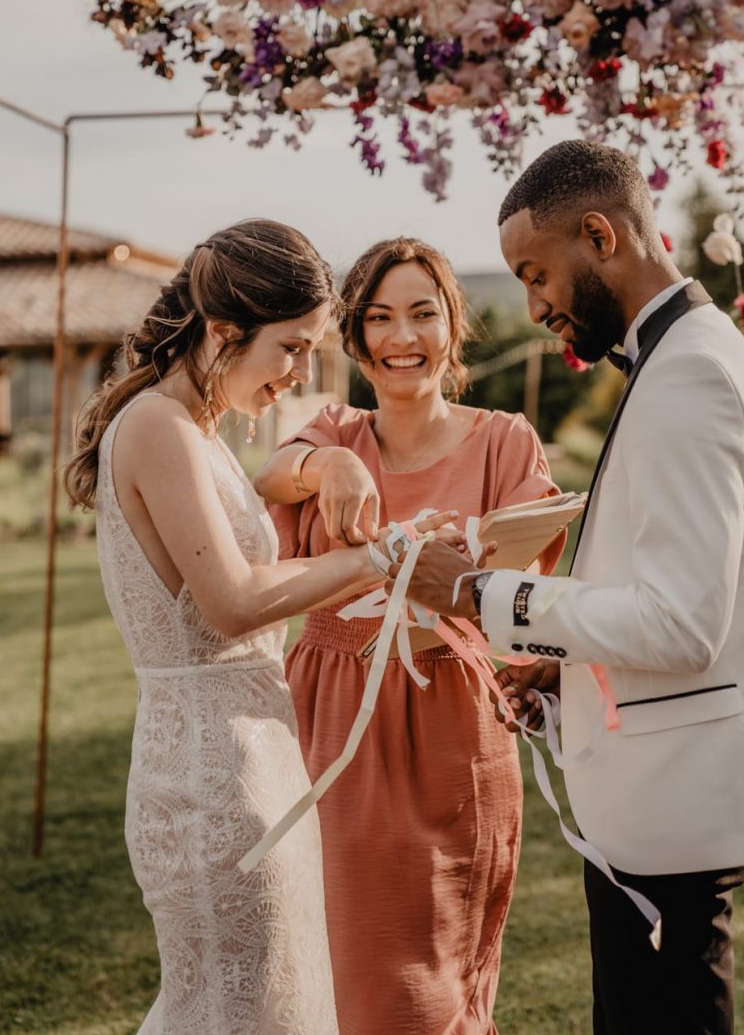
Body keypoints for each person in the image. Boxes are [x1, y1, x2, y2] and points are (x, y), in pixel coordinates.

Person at [397, 141, 744, 1035]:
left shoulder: (690, 373)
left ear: (600, 235)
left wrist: (486, 595)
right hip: (665, 800)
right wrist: (562, 667)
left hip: (673, 814)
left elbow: (683, 622)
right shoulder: (688, 352)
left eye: (537, 274)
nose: (533, 307)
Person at [63, 219, 386, 1035]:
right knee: (231, 1011)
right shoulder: (158, 428)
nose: (302, 372)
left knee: (265, 1002)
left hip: (253, 756)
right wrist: (381, 559)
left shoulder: (192, 429)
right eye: (292, 347)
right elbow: (234, 600)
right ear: (223, 330)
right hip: (210, 778)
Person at [255, 237, 564, 1035]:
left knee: (433, 978)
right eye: (380, 318)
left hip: (451, 728)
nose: (402, 338)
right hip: (331, 720)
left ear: (451, 327)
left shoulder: (504, 440)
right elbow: (267, 475)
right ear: (354, 338)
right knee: (340, 964)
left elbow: (541, 585)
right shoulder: (331, 431)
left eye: (422, 314)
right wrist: (328, 467)